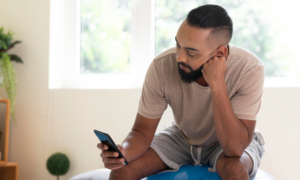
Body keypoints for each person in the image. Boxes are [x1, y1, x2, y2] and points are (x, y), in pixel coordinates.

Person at [97, 4, 265, 180]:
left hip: (227, 144)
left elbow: (235, 148)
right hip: (182, 138)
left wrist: (217, 83)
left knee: (235, 169)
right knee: (121, 172)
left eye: (191, 52)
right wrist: (122, 153)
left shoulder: (250, 69)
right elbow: (142, 131)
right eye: (178, 45)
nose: (180, 57)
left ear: (220, 53)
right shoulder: (161, 66)